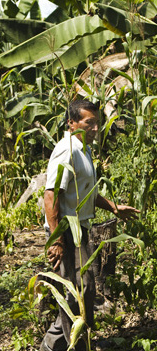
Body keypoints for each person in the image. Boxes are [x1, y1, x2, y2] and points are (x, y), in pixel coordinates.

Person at [40, 99, 140, 351]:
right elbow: (51, 195)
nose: (95, 128)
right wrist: (57, 240)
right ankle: (71, 345)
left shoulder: (83, 149)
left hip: (79, 228)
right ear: (71, 123)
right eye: (89, 123)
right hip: (65, 229)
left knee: (83, 290)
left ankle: (56, 344)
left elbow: (86, 193)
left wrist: (114, 207)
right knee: (77, 291)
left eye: (97, 122)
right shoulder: (68, 149)